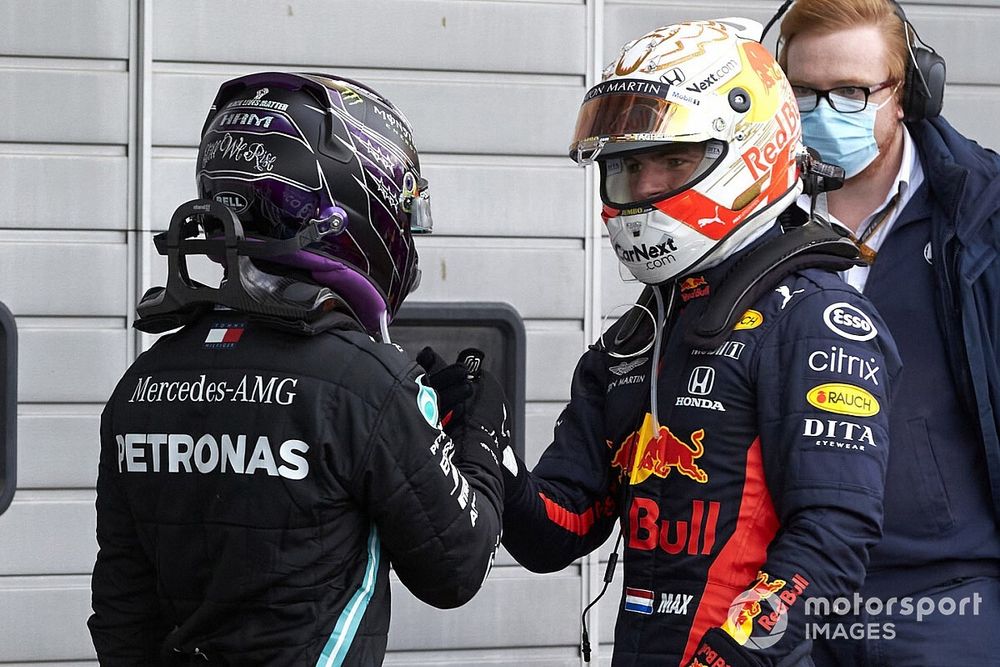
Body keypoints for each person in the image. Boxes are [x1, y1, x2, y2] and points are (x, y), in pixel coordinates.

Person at [496, 18, 902, 666]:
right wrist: (487, 462)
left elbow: (832, 543)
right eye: (629, 165)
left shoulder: (817, 320)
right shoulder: (638, 336)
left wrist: (726, 658)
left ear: (751, 154)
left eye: (674, 160)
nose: (646, 186)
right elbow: (557, 528)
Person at [87, 71, 507, 665]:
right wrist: (479, 435)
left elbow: (122, 614)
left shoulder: (144, 381)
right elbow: (457, 568)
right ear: (355, 204)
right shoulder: (370, 383)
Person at [776, 1, 1000, 663]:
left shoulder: (980, 217)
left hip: (946, 597)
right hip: (781, 596)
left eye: (851, 91)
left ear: (908, 94)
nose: (823, 113)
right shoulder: (749, 221)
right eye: (802, 92)